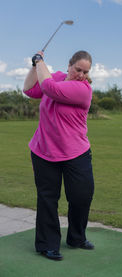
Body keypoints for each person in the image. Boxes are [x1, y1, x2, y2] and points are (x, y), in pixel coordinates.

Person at [23, 50, 95, 261]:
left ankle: (76, 237)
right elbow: (29, 89)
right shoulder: (54, 77)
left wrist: (39, 61)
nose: (81, 74)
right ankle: (48, 245)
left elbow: (49, 88)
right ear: (69, 65)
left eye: (86, 71)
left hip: (76, 152)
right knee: (47, 198)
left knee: (81, 196)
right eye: (78, 69)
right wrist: (34, 66)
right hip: (44, 150)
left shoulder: (83, 89)